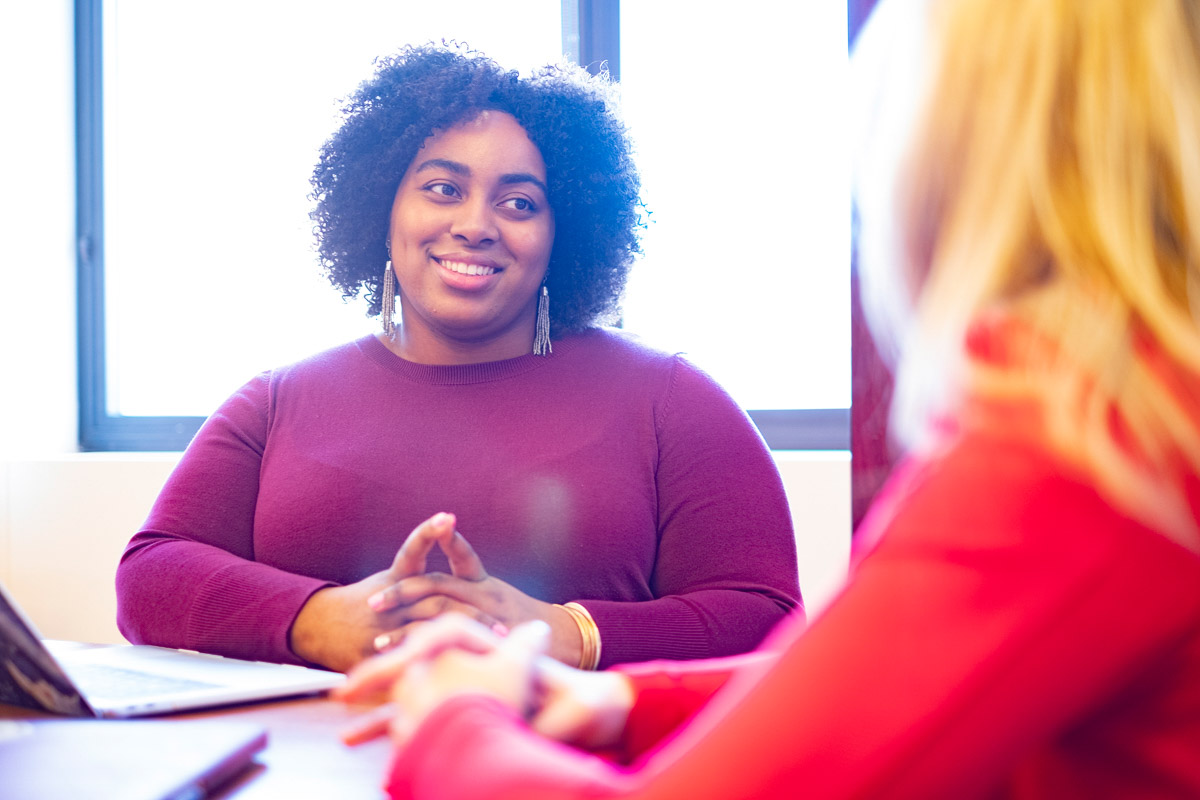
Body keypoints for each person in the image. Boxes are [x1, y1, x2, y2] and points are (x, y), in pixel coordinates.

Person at [335, 1, 1200, 796]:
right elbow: (890, 678)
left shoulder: (1085, 432)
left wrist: (451, 721)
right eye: (442, 188)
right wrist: (626, 706)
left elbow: (765, 621)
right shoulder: (1148, 402)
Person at [113, 44, 801, 675]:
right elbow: (150, 578)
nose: (475, 223)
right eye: (443, 188)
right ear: (383, 209)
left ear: (564, 233)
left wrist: (564, 634)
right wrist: (319, 620)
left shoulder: (674, 402)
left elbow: (768, 616)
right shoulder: (275, 402)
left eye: (519, 202)